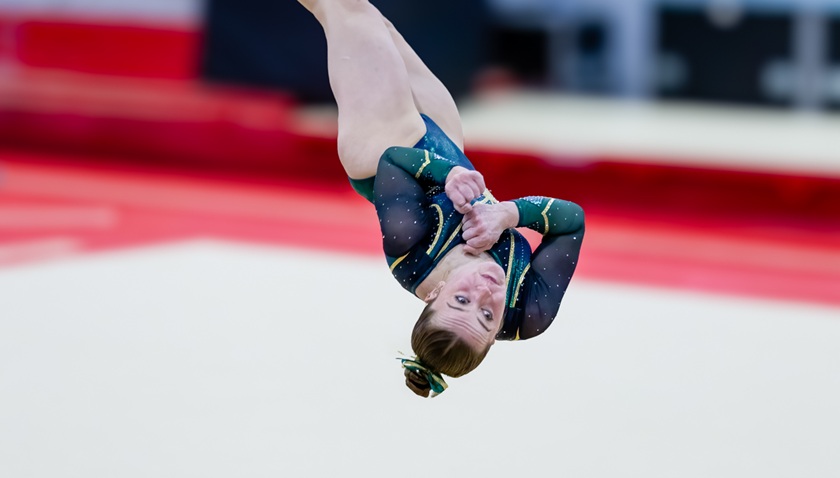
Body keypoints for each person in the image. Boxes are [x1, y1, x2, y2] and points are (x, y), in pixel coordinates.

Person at [296, 0, 585, 397]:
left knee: (348, 8)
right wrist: (508, 214)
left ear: (433, 294)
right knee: (375, 22)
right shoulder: (529, 313)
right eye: (486, 315)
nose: (485, 291)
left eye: (461, 299)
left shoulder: (411, 252)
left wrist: (447, 176)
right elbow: (572, 222)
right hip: (448, 145)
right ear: (495, 338)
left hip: (382, 144)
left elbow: (394, 160)